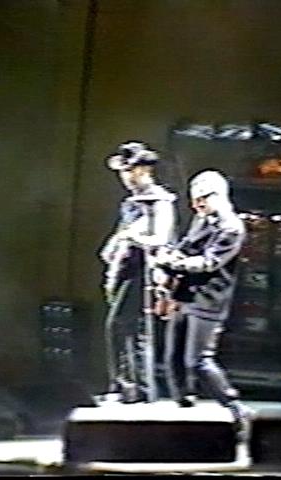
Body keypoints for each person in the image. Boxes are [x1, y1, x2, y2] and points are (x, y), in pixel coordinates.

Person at [154, 169, 252, 439]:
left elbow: (209, 262)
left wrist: (173, 262)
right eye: (194, 198)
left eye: (202, 198)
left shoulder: (231, 226)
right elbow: (186, 247)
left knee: (198, 360)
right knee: (173, 357)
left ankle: (235, 407)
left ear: (218, 196)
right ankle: (183, 405)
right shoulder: (203, 220)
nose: (196, 204)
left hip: (209, 300)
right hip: (185, 295)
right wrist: (168, 258)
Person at [98, 141, 177, 403]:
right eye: (124, 171)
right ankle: (136, 390)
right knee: (132, 330)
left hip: (145, 270)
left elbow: (160, 238)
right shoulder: (131, 202)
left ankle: (128, 387)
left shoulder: (160, 201)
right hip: (126, 268)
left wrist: (131, 237)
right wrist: (115, 247)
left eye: (129, 170)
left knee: (120, 325)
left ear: (143, 170)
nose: (125, 177)